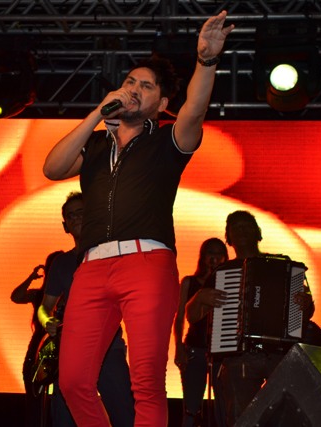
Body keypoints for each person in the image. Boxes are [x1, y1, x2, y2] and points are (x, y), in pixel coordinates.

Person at [42, 11, 234, 425]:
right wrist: (97, 114)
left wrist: (206, 60)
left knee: (146, 380)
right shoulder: (96, 146)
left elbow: (194, 112)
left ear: (161, 105)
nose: (133, 89)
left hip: (147, 262)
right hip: (92, 267)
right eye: (130, 81)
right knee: (72, 381)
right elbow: (52, 168)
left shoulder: (167, 141)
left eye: (146, 86)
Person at [185, 210, 315, 426]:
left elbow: (306, 313)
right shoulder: (222, 273)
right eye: (235, 228)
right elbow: (191, 316)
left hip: (279, 354)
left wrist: (305, 304)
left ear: (258, 233)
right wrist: (200, 297)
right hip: (239, 355)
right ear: (228, 238)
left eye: (247, 226)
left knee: (289, 417)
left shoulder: (282, 265)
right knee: (242, 418)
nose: (241, 231)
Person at [37, 191, 135, 427]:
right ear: (65, 226)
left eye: (81, 212)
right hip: (70, 350)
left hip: (108, 349)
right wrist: (47, 321)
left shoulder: (113, 256)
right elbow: (44, 308)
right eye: (71, 216)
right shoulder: (61, 263)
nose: (76, 218)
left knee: (125, 417)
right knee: (65, 419)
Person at [173, 238, 228, 427]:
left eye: (219, 254)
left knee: (223, 406)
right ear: (203, 256)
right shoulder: (189, 282)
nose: (215, 258)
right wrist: (178, 347)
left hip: (221, 352)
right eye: (210, 253)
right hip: (195, 349)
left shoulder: (229, 284)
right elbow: (180, 317)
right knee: (191, 406)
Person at [11, 250, 63, 427]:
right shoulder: (40, 295)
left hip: (61, 347)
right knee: (34, 393)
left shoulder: (69, 294)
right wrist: (31, 278)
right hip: (40, 347)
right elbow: (16, 297)